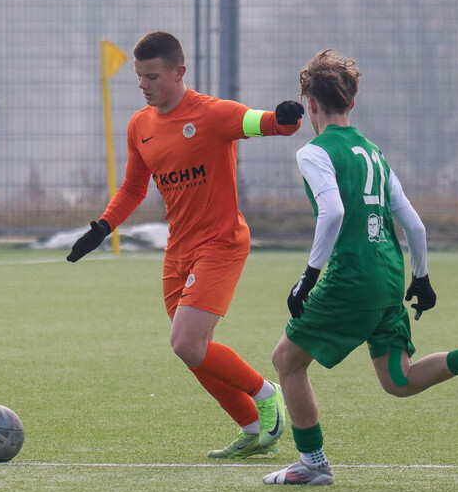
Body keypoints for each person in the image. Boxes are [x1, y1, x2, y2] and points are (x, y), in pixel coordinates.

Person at [262, 49, 458, 486]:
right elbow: (413, 222)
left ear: (310, 103)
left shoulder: (313, 152)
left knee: (286, 361)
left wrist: (308, 278)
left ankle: (313, 463)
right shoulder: (374, 153)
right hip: (390, 274)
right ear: (352, 104)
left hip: (350, 277)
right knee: (399, 378)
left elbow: (331, 213)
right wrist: (422, 277)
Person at [67, 30, 305, 458]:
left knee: (186, 343)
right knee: (193, 351)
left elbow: (266, 123)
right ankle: (251, 428)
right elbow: (134, 188)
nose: (143, 85)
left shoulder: (213, 115)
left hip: (221, 243)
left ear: (179, 73)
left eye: (152, 76)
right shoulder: (140, 125)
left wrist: (286, 117)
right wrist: (103, 227)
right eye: (139, 77)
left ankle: (266, 395)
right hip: (178, 250)